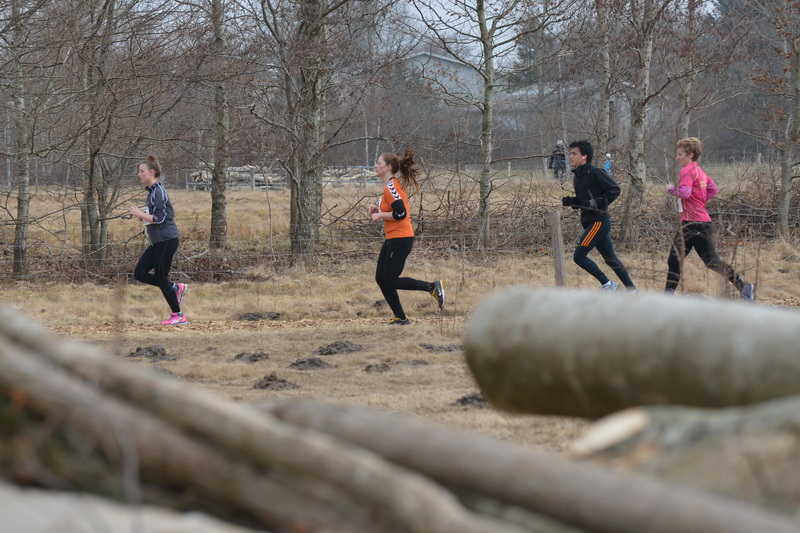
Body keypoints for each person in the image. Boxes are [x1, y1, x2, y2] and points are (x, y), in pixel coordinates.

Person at [665, 137, 755, 300]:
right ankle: (667, 297)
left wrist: (671, 189)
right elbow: (713, 189)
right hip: (691, 222)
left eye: (680, 154)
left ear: (690, 155)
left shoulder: (686, 171)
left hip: (696, 224)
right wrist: (699, 201)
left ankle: (744, 287)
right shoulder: (699, 171)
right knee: (674, 259)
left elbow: (685, 193)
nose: (677, 157)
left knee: (711, 261)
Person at [369, 149, 445, 325]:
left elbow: (401, 213)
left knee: (390, 280)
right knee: (381, 279)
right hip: (392, 238)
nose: (376, 166)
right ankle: (400, 318)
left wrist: (380, 215)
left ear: (388, 167)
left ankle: (432, 287)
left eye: (379, 163)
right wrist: (378, 211)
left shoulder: (392, 187)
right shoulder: (390, 186)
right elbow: (394, 211)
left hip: (401, 239)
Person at [561, 140, 636, 292]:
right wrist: (573, 202)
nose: (570, 156)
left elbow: (614, 190)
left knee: (579, 256)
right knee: (610, 258)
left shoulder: (595, 172)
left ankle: (608, 285)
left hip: (598, 222)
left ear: (584, 156)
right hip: (590, 222)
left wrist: (596, 203)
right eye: (570, 153)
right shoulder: (578, 176)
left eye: (574, 153)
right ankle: (633, 291)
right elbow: (586, 201)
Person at [129, 155, 189, 325]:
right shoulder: (152, 192)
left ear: (151, 172)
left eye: (141, 171)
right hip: (157, 241)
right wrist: (142, 215)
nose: (139, 174)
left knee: (161, 278)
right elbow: (153, 215)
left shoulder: (158, 191)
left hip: (167, 240)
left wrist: (140, 214)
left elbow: (160, 219)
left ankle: (178, 315)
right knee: (140, 273)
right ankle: (175, 288)